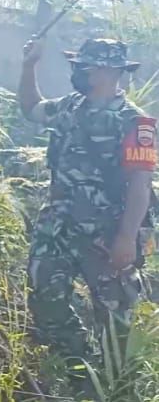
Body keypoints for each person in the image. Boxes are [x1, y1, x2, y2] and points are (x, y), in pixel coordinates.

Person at [18, 37, 153, 373]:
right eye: (76, 65)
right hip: (59, 223)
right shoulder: (69, 106)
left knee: (114, 318)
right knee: (44, 292)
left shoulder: (136, 123)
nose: (77, 71)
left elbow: (140, 183)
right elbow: (31, 108)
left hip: (106, 231)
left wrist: (126, 237)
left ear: (110, 71)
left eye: (85, 66)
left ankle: (114, 390)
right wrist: (28, 65)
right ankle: (76, 365)